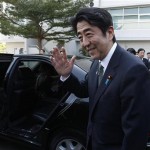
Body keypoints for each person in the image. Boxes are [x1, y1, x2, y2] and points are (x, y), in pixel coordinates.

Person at [50, 7, 150, 150]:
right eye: (80, 37)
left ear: (109, 32)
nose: (84, 43)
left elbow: (136, 132)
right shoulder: (97, 62)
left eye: (88, 34)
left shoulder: (134, 70)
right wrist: (66, 75)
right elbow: (85, 89)